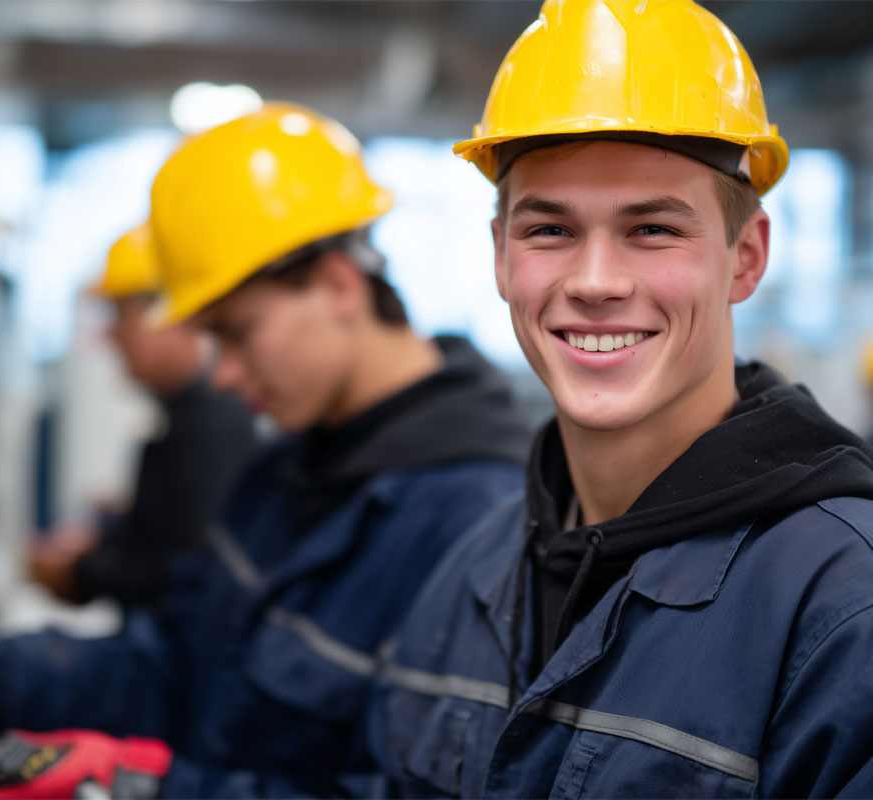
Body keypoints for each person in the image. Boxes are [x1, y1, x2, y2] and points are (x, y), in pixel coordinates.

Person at [0, 103, 532, 798]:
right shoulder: (287, 468)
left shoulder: (479, 521)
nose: (222, 374)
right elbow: (176, 667)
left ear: (339, 284)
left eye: (237, 332)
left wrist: (149, 789)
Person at [369, 1, 873, 797]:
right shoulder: (471, 572)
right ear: (500, 257)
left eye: (652, 231)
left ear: (746, 259)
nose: (596, 282)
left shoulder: (844, 605)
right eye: (550, 231)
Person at [28, 223, 258, 607]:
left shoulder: (212, 427)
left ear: (175, 315)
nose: (110, 337)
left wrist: (80, 571)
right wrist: (114, 534)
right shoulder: (191, 420)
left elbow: (181, 581)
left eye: (120, 316)